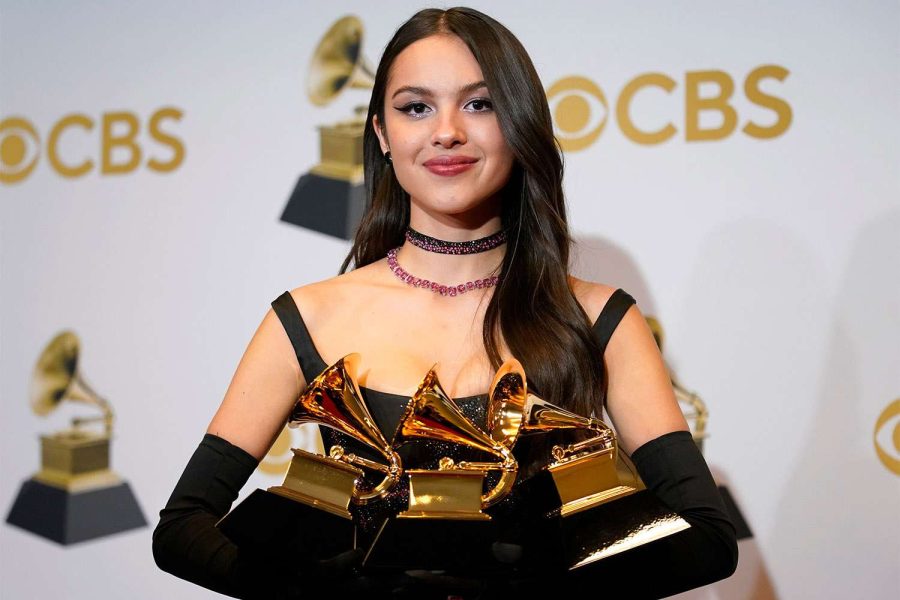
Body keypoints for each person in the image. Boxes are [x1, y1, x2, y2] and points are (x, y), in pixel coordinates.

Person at [153, 6, 738, 599]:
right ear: (382, 133)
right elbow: (182, 527)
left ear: (519, 123)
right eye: (415, 107)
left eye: (480, 104)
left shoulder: (599, 319)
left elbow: (708, 538)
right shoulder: (307, 318)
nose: (447, 131)